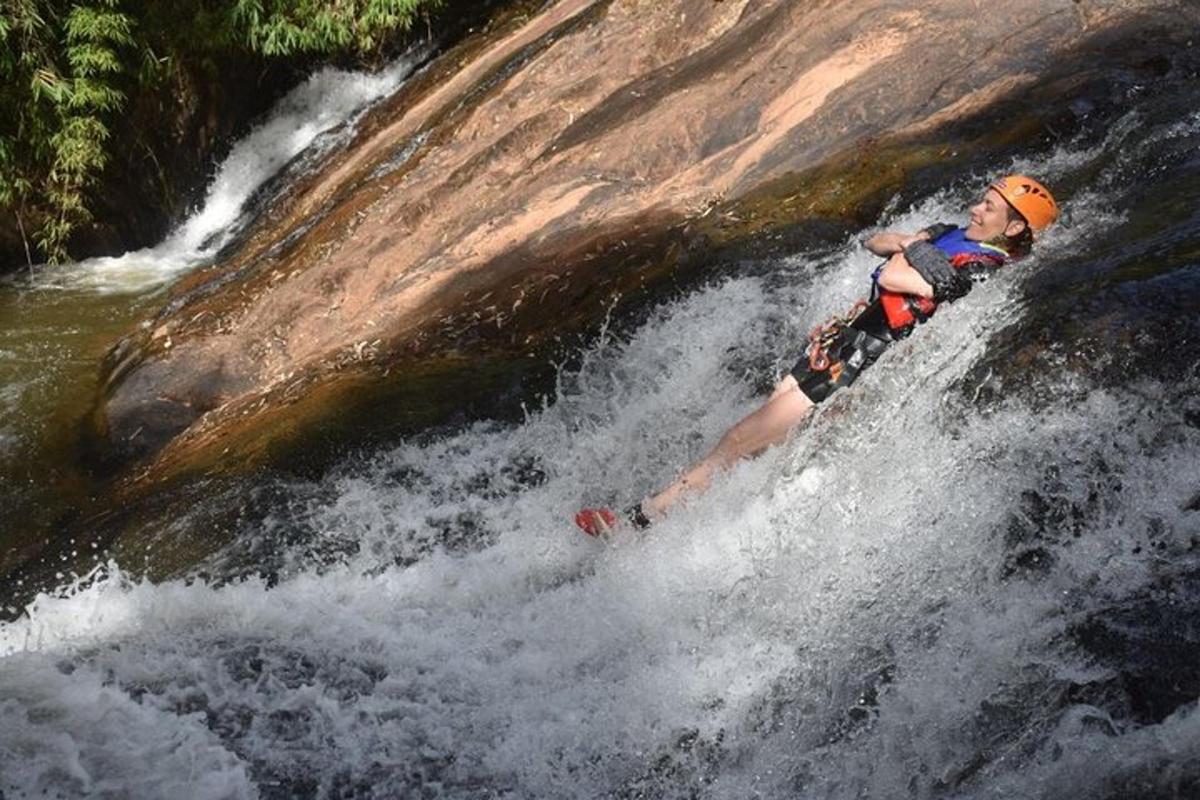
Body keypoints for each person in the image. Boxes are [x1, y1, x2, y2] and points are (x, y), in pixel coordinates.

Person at [575, 174, 1059, 537]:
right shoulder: (953, 234)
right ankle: (703, 517)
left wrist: (908, 250)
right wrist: (909, 244)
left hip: (855, 364)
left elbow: (892, 278)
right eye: (982, 199)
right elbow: (876, 242)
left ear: (1013, 226)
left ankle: (637, 523)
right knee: (758, 441)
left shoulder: (978, 266)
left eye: (990, 208)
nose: (976, 208)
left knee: (742, 438)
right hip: (838, 342)